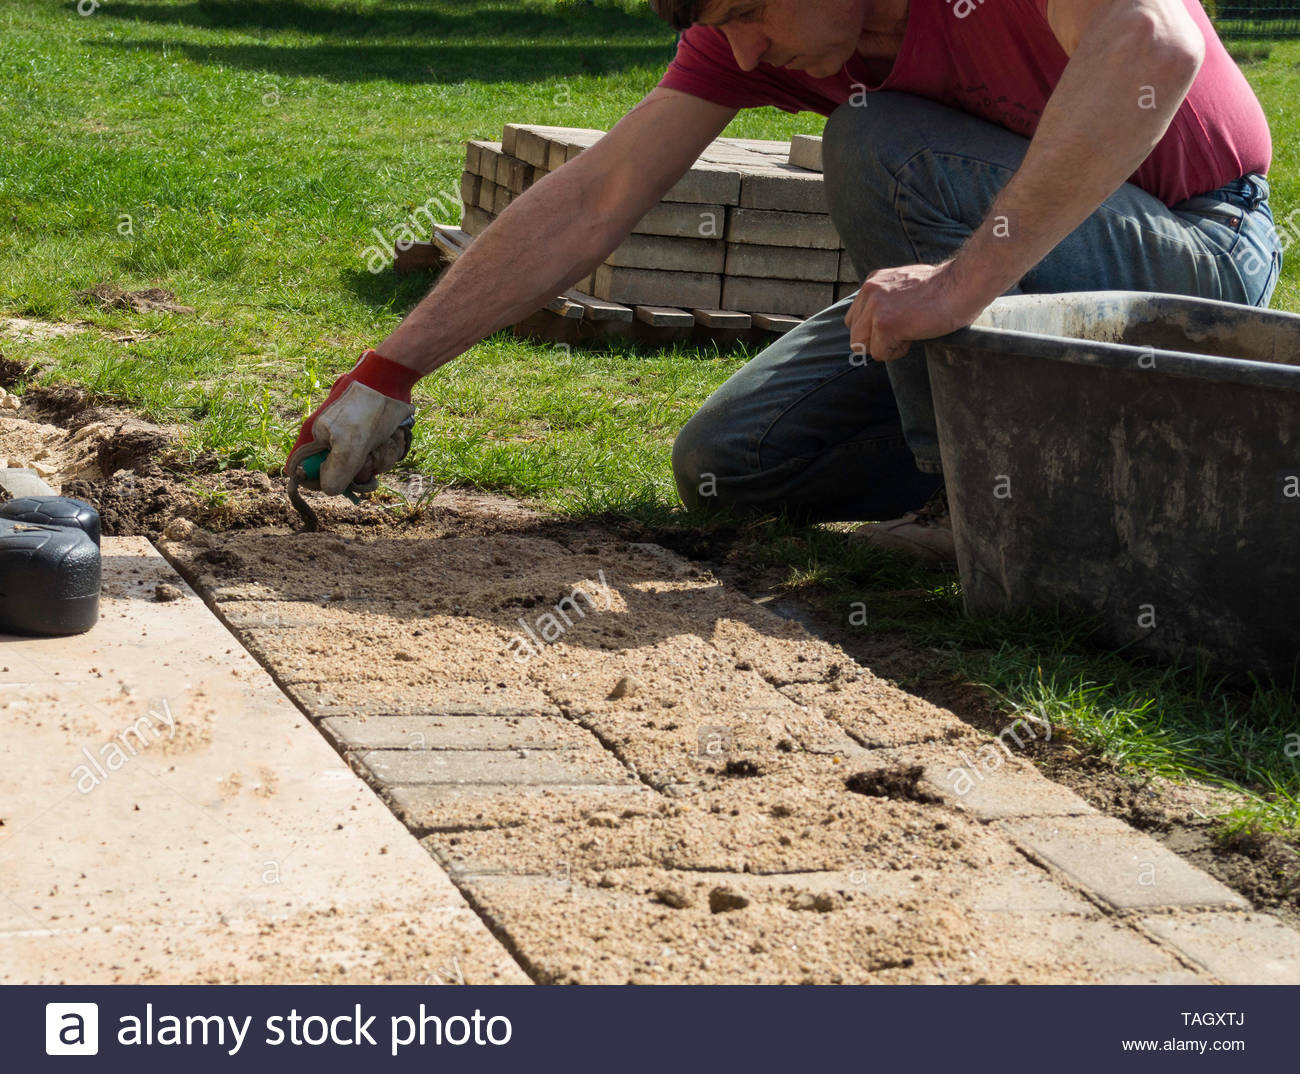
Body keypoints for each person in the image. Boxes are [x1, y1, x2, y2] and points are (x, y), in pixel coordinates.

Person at [287, 0, 1280, 565]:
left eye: (752, 10)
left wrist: (956, 285)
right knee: (734, 461)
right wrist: (391, 370)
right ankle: (1082, 482)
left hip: (1193, 256)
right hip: (1012, 279)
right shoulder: (751, 32)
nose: (746, 50)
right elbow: (594, 200)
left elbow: (1157, 43)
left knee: (879, 145)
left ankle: (970, 517)